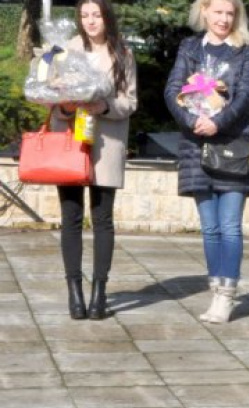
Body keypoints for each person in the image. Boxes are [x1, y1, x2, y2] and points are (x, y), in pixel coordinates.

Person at [164, 0, 249, 324]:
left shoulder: (245, 50)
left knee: (230, 226)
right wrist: (190, 119)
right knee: (209, 228)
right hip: (196, 146)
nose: (224, 19)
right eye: (218, 11)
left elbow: (247, 95)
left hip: (232, 147)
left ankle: (227, 295)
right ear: (204, 11)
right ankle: (215, 288)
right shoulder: (190, 47)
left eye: (230, 13)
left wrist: (217, 122)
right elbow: (172, 90)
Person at [50, 0, 136, 320]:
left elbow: (131, 100)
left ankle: (100, 292)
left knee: (103, 220)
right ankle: (75, 291)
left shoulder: (123, 52)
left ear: (106, 16)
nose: (90, 21)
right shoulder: (64, 49)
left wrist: (104, 106)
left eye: (96, 14)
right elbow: (50, 91)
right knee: (70, 217)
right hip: (71, 144)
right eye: (84, 15)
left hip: (107, 145)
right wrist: (66, 105)